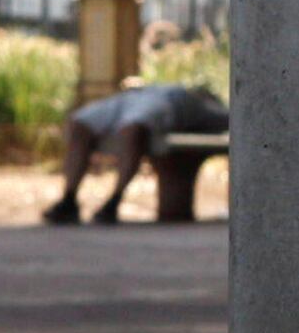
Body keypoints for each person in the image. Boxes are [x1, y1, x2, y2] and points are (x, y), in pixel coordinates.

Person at [41, 79, 231, 225]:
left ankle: (113, 202)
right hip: (140, 95)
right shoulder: (202, 104)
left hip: (169, 99)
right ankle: (68, 199)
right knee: (79, 123)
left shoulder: (203, 108)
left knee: (133, 129)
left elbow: (230, 117)